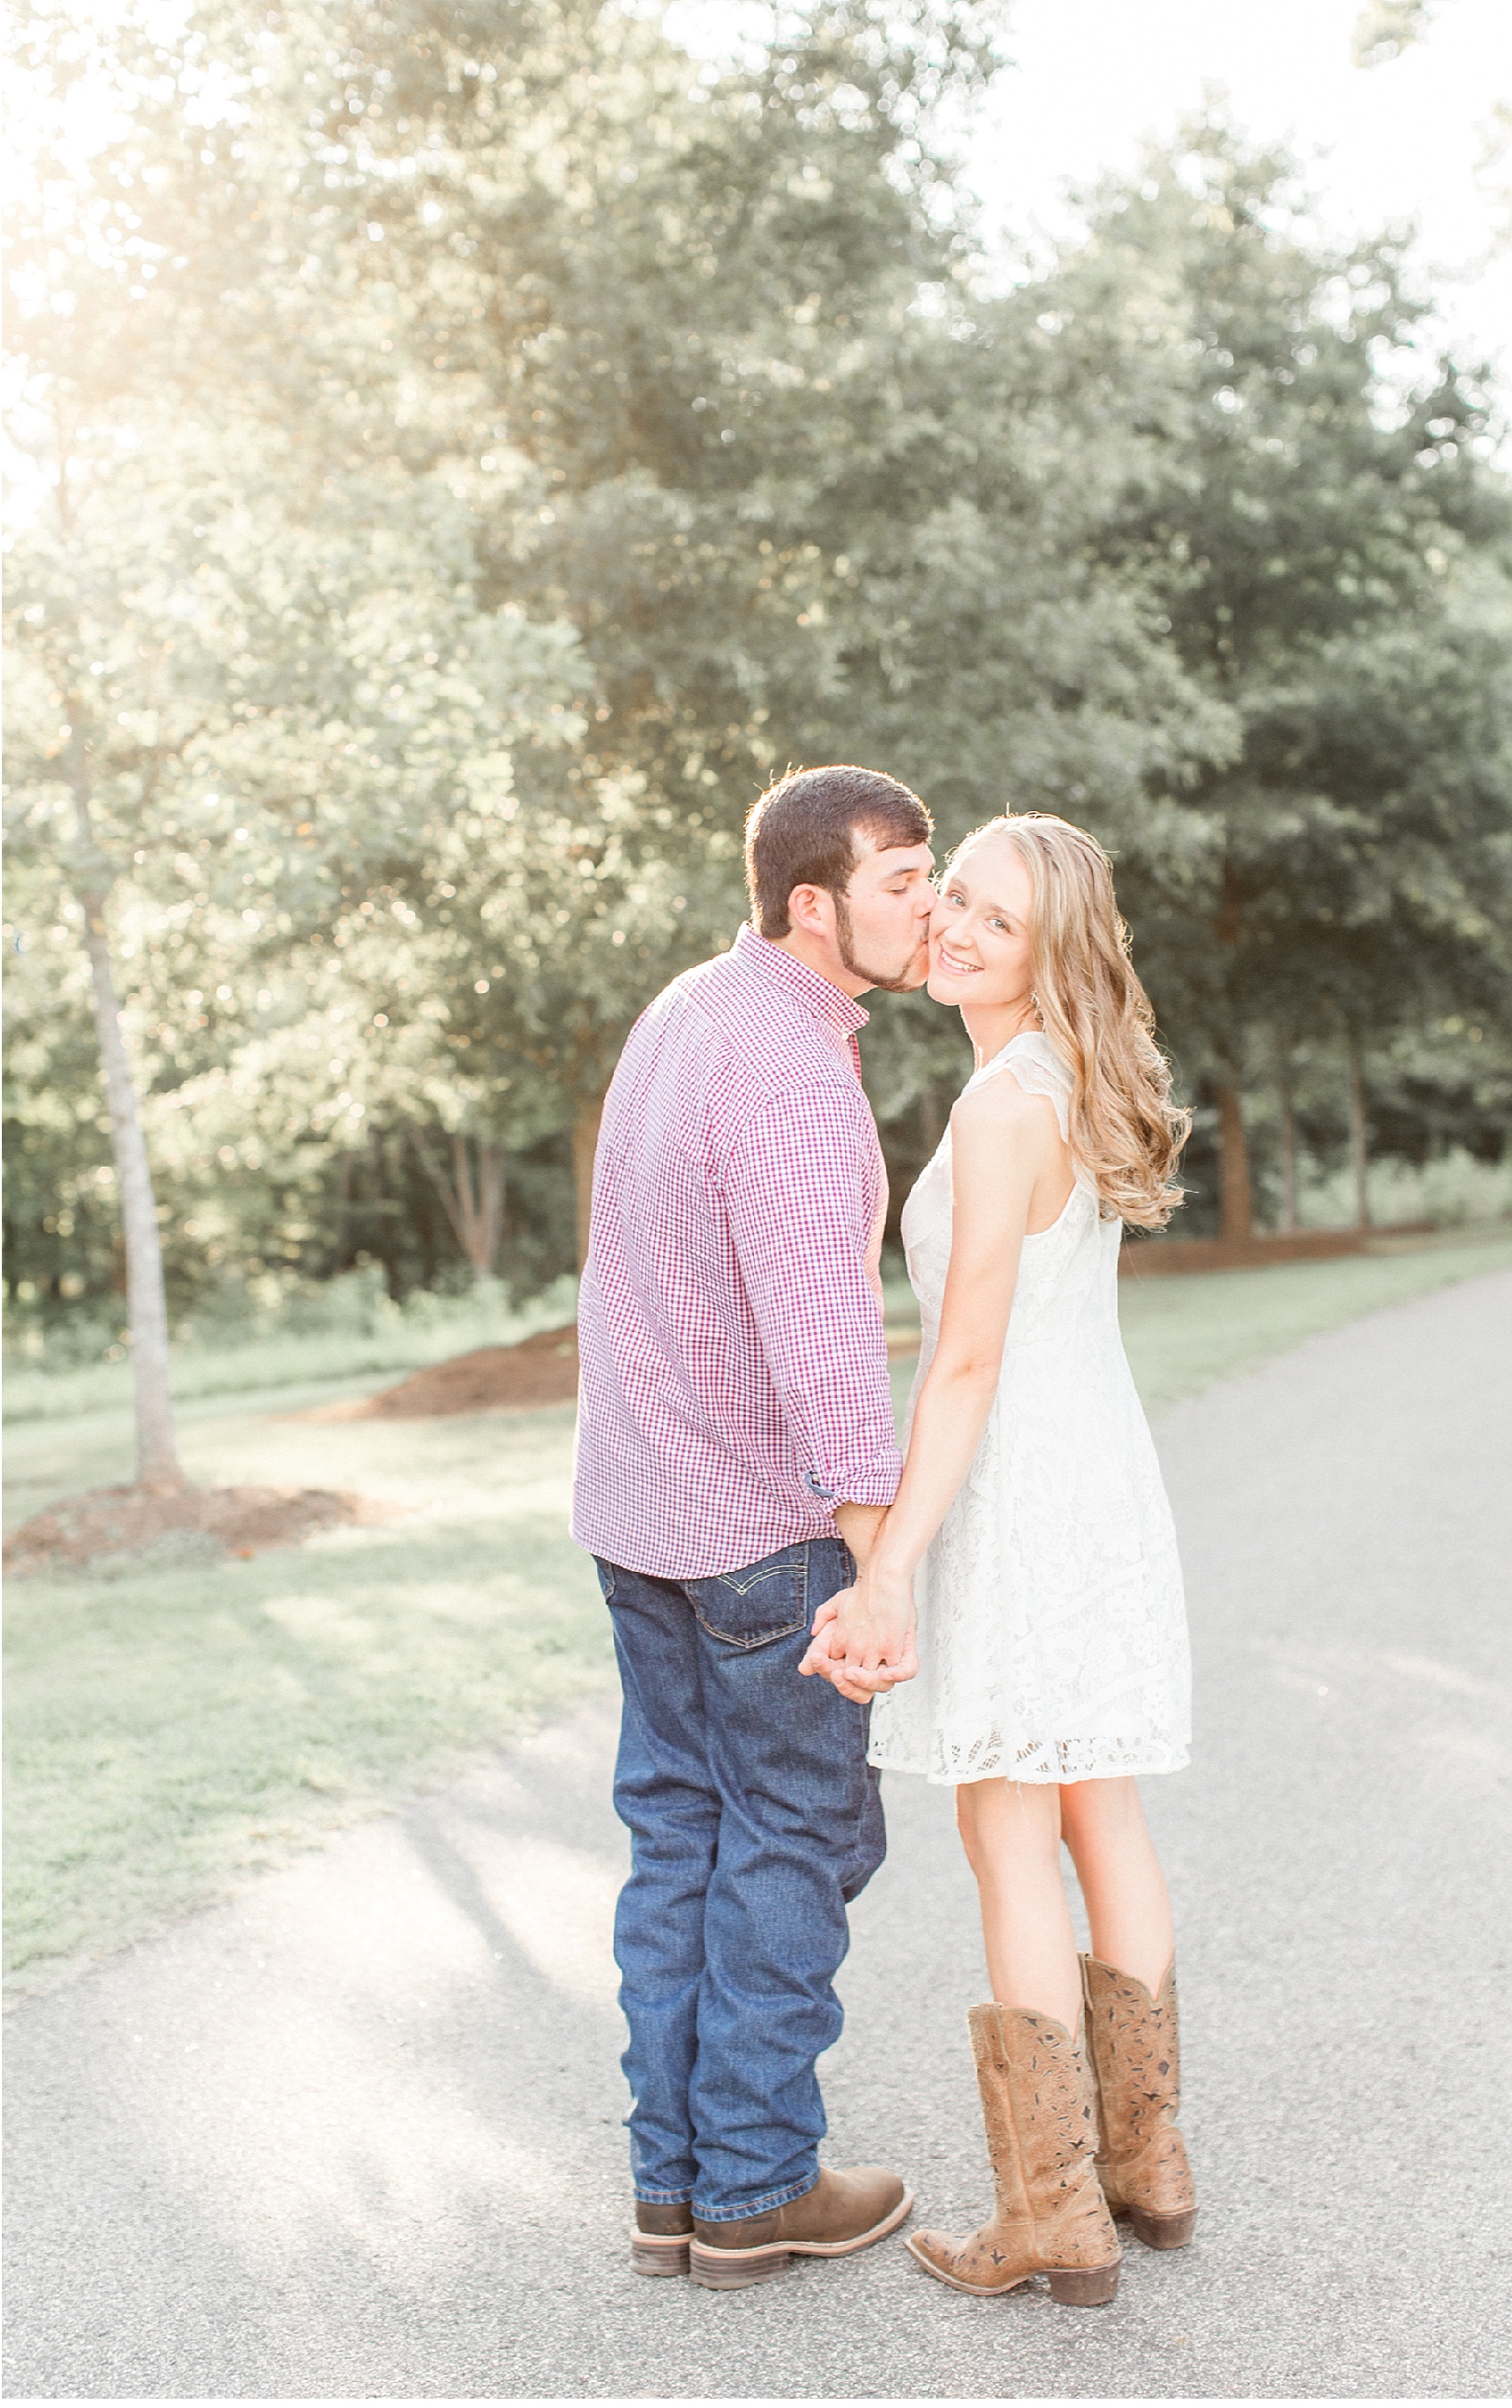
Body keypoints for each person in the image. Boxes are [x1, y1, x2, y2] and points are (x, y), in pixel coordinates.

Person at [802, 813, 1195, 2310]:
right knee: (1104, 1812)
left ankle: (1052, 2211)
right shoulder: (1075, 1075)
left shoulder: (998, 1106)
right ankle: (1148, 2165)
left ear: (1050, 951)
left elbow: (963, 1361)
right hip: (1102, 1480)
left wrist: (895, 1561)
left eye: (995, 918)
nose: (956, 926)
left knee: (1010, 1830)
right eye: (952, 895)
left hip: (1022, 1491)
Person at [572, 763, 938, 2290]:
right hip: (761, 1535)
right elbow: (826, 1346)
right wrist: (880, 1561)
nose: (929, 906)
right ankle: (759, 2183)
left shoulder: (684, 1012)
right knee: (794, 1833)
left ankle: (674, 2189)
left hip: (638, 1515)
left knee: (682, 1836)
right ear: (814, 903)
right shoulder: (790, 1069)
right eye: (902, 881)